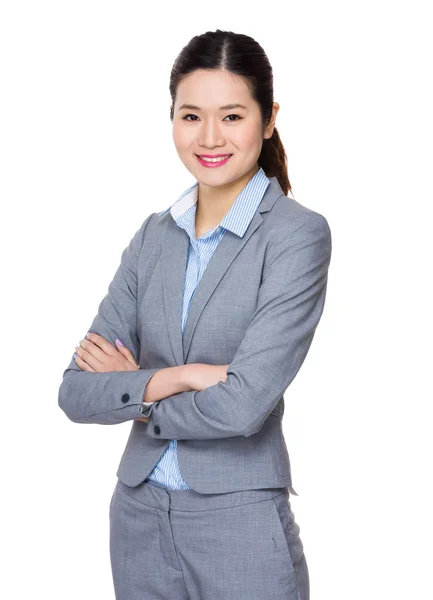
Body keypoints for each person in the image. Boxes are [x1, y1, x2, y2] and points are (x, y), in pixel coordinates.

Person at [58, 28, 332, 600]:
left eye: (231, 116)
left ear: (269, 117)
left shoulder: (295, 236)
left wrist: (133, 390)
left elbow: (244, 405)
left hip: (238, 519)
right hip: (137, 517)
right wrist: (179, 378)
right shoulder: (152, 237)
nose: (209, 137)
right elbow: (76, 392)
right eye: (190, 116)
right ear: (173, 119)